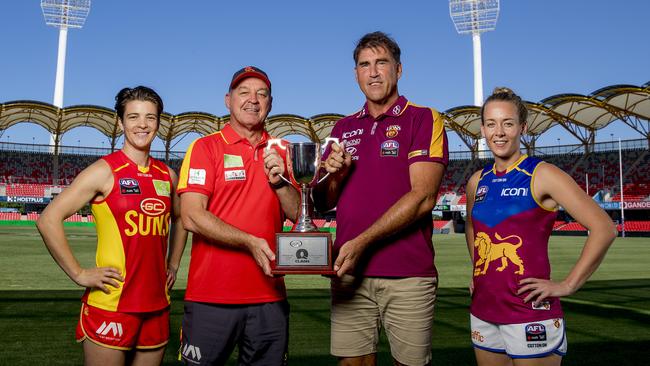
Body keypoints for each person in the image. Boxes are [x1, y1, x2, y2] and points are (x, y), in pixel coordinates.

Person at [315, 31, 448, 366]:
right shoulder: (342, 129)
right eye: (364, 65)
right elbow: (320, 203)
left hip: (407, 273)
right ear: (356, 73)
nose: (373, 72)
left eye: (381, 63)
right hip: (348, 272)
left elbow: (423, 197)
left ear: (399, 70)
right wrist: (335, 176)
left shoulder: (423, 118)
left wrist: (362, 242)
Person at [464, 87, 617, 366]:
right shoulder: (477, 180)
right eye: (491, 123)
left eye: (508, 123)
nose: (499, 132)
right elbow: (473, 228)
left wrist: (569, 285)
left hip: (530, 312)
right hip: (484, 311)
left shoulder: (542, 174)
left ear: (522, 128)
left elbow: (604, 227)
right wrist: (479, 270)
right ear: (483, 129)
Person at [37, 86, 188, 366]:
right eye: (133, 117)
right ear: (120, 122)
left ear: (158, 122)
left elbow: (182, 219)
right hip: (112, 303)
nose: (142, 124)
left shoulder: (167, 175)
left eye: (150, 117)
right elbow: (48, 219)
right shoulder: (103, 171)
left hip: (157, 303)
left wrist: (174, 263)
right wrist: (79, 273)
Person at [177, 66, 299, 366]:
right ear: (228, 100)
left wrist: (279, 181)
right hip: (211, 297)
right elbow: (192, 216)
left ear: (271, 102)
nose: (253, 100)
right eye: (244, 92)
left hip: (269, 296)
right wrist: (249, 242)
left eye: (262, 93)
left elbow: (298, 213)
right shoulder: (205, 147)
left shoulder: (284, 150)